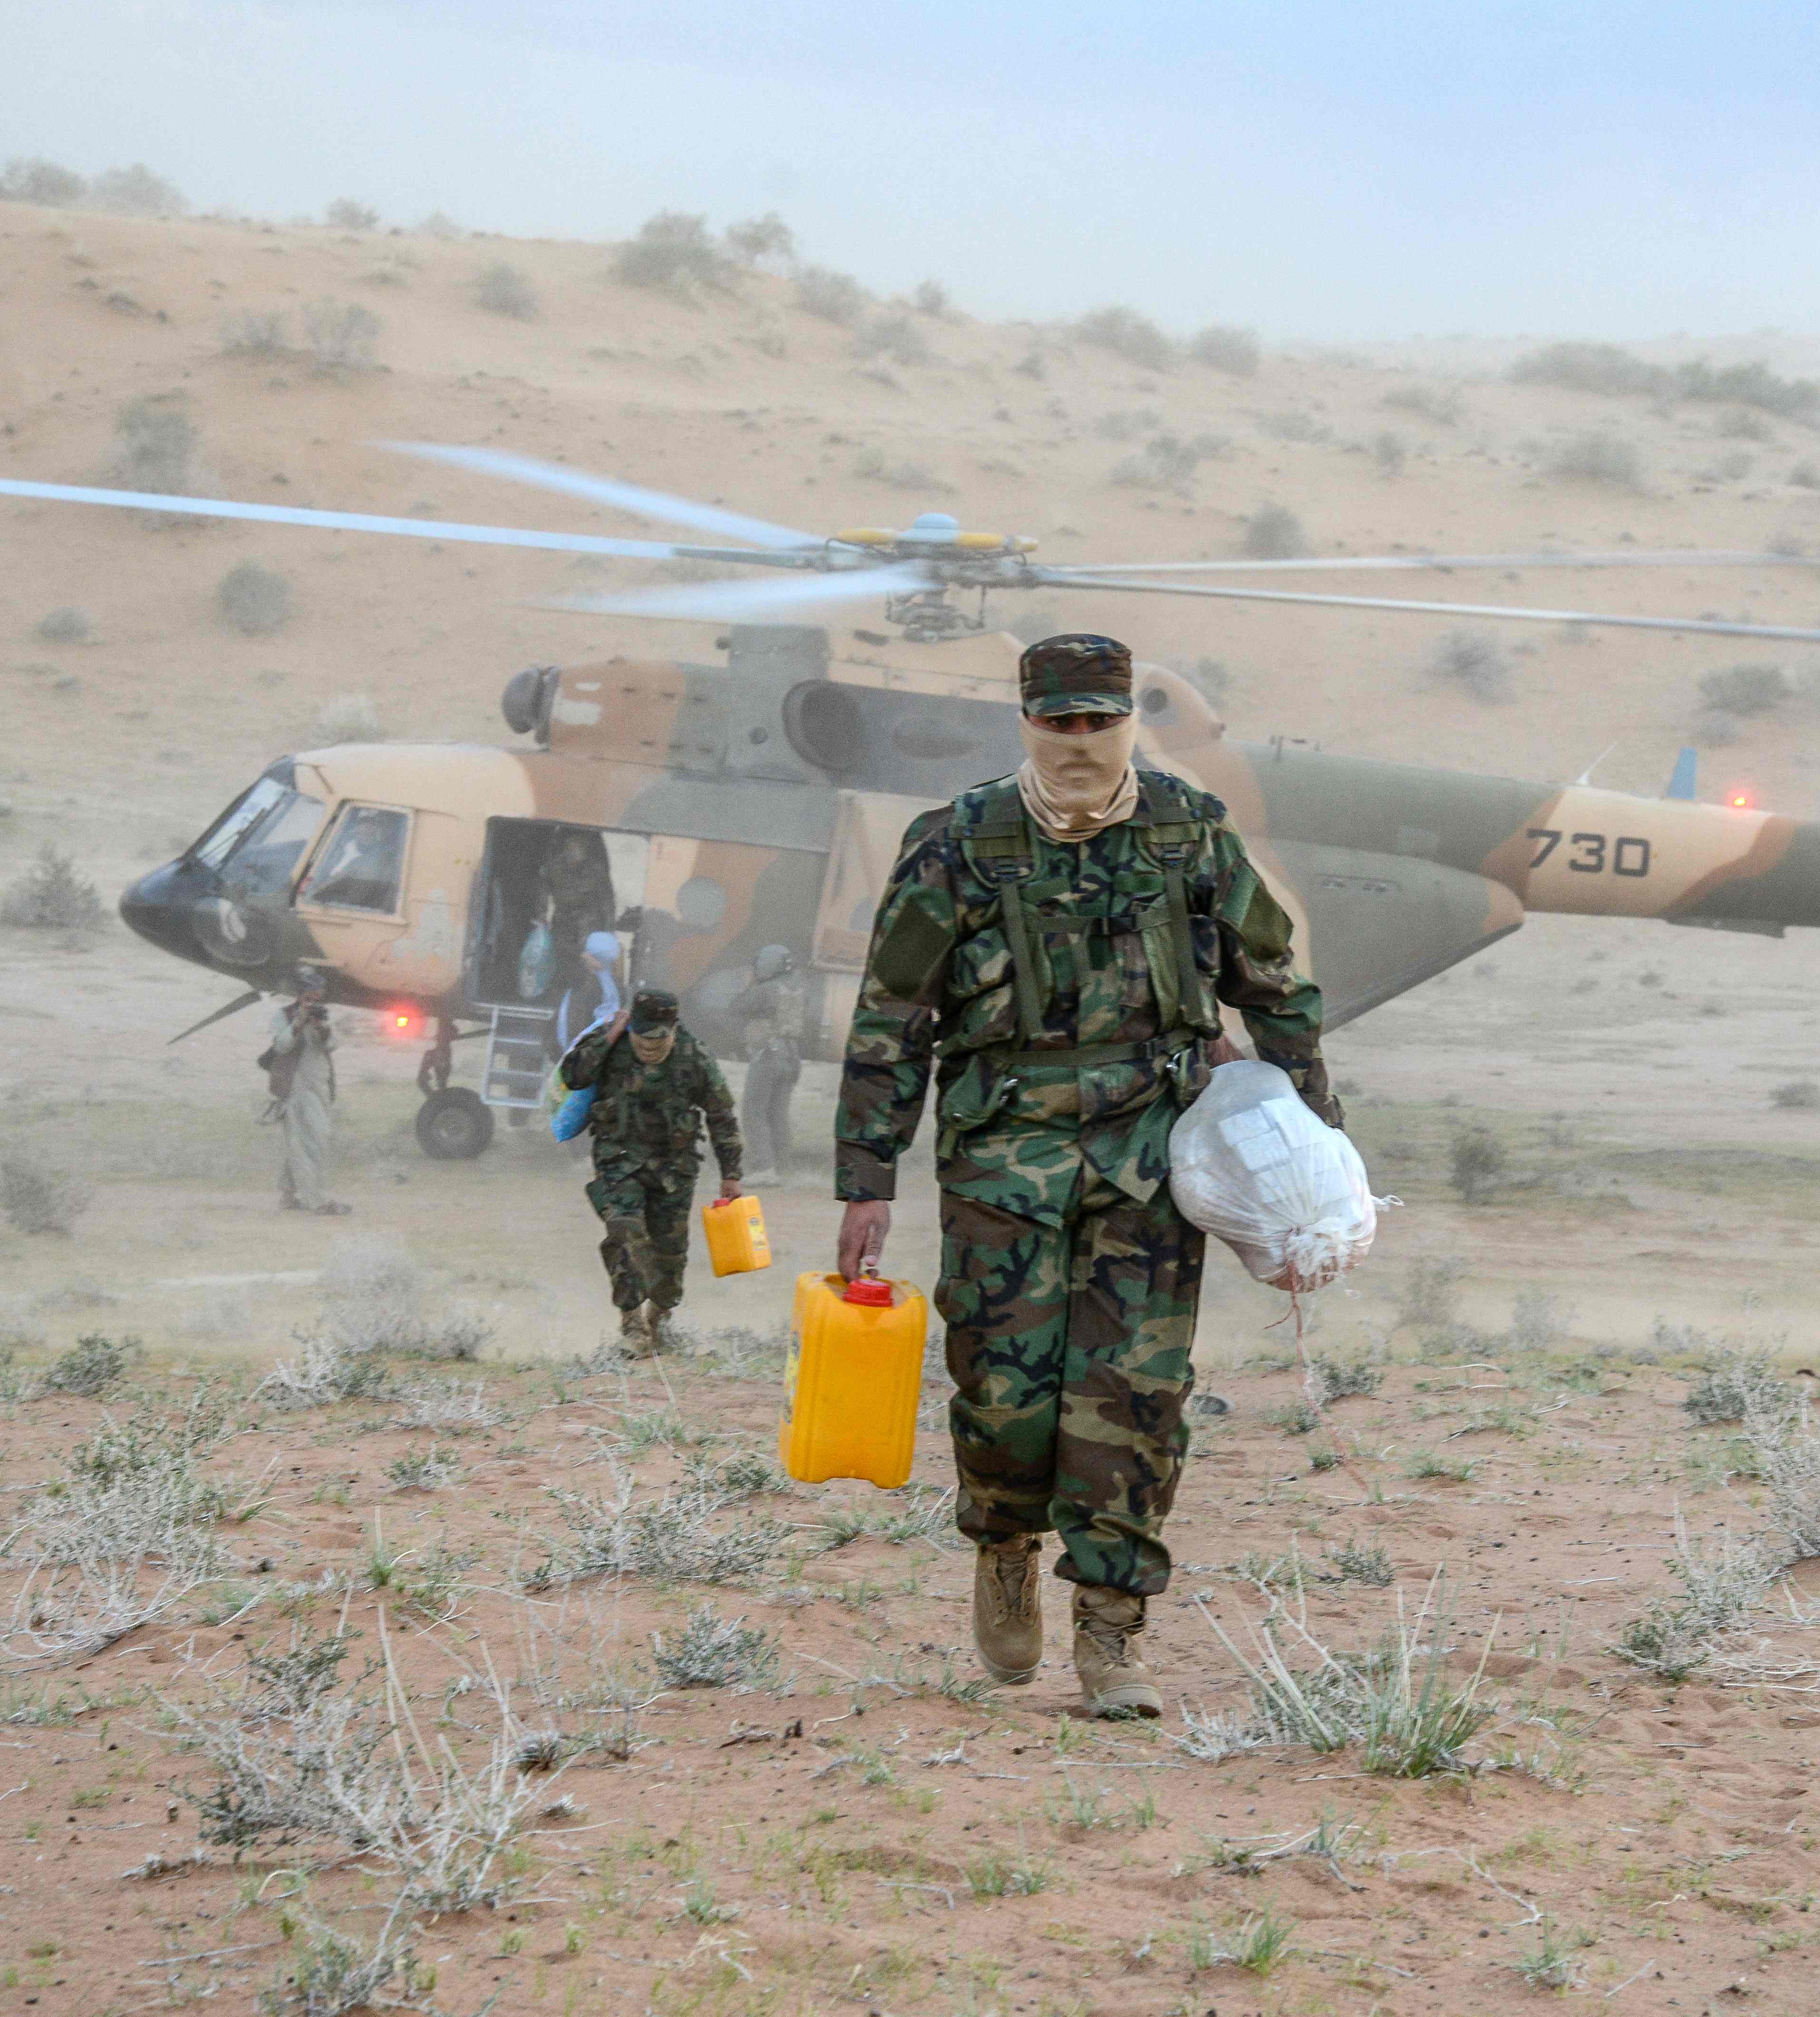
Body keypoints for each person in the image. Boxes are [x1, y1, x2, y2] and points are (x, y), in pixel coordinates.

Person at [833, 633, 1336, 1718]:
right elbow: (891, 1017)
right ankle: (1005, 1543)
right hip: (1000, 1162)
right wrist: (866, 1176)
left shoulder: (1186, 831)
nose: (1078, 741)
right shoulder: (955, 844)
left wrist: (1315, 1142)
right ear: (1025, 722)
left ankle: (1111, 1629)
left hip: (1150, 1160)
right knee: (1004, 1395)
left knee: (1132, 1399)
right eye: (1056, 722)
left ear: (1127, 722)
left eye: (1098, 721)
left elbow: (1270, 981)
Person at [562, 986, 743, 1357]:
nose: (650, 1046)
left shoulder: (694, 1056)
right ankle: (632, 1326)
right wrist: (609, 1037)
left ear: (674, 1028)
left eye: (658, 1038)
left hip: (674, 1170)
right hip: (619, 1162)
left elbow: (722, 1115)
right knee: (624, 1232)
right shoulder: (610, 1043)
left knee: (669, 1258)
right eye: (643, 1036)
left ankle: (658, 1322)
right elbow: (573, 1076)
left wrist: (731, 1173)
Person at [261, 968, 351, 1216]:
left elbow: (332, 1046)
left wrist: (322, 1028)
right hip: (296, 1087)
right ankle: (317, 1200)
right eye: (309, 993)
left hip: (320, 1085)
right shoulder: (283, 1016)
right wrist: (298, 1024)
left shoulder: (322, 1015)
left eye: (317, 993)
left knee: (304, 1141)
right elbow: (281, 1046)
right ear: (300, 994)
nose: (314, 998)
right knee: (313, 1141)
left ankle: (288, 1194)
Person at [733, 942, 803, 1188]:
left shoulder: (765, 990)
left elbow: (737, 1007)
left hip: (768, 1056)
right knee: (778, 1114)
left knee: (754, 1112)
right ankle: (783, 1168)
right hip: (791, 1057)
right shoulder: (794, 989)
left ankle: (765, 1168)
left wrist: (749, 984)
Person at [556, 929, 624, 1052]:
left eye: (587, 955)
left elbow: (576, 1023)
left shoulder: (588, 985)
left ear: (593, 959)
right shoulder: (614, 985)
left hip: (584, 1051)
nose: (584, 957)